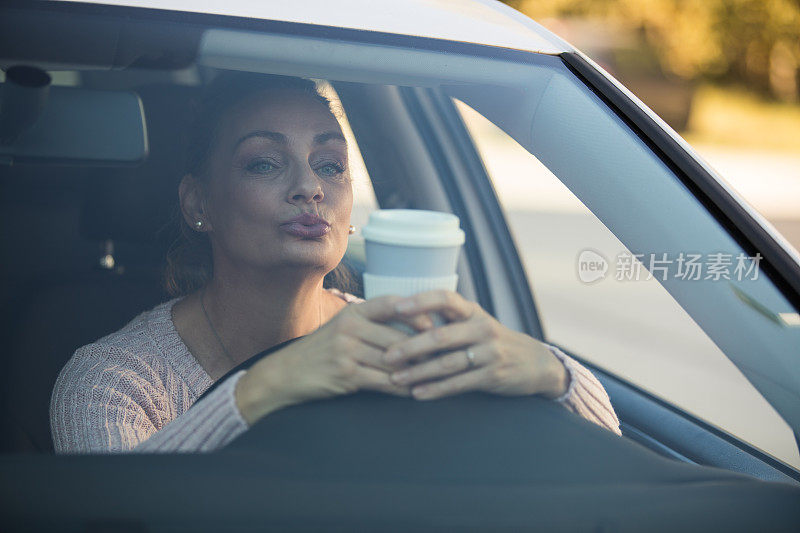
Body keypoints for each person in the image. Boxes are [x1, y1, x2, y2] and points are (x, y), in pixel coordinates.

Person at [50, 72, 620, 454]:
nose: (309, 188)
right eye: (265, 164)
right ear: (199, 203)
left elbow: (610, 468)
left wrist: (549, 372)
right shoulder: (111, 384)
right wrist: (266, 388)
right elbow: (120, 509)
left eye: (329, 165)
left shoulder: (401, 343)